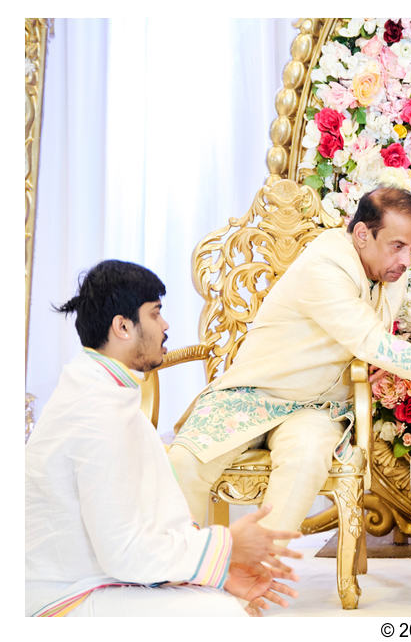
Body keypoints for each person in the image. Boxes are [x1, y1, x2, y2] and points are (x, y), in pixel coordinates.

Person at [168, 187, 411, 537]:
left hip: (317, 408)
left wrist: (372, 359)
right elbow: (371, 341)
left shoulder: (388, 271)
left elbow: (369, 340)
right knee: (184, 462)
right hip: (252, 393)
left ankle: (260, 574)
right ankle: (180, 569)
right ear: (362, 234)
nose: (405, 260)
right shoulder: (325, 264)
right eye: (397, 246)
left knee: (306, 459)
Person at [26, 260, 301, 617]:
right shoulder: (95, 410)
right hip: (62, 597)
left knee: (219, 605)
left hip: (88, 578)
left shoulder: (103, 390)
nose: (165, 325)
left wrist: (219, 573)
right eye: (155, 314)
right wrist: (226, 546)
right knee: (219, 616)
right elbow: (124, 552)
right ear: (123, 326)